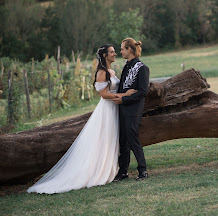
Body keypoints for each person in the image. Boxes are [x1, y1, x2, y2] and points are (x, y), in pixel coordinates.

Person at [27, 44, 136, 194]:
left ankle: (111, 167)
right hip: (107, 109)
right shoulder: (102, 72)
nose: (115, 54)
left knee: (111, 139)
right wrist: (123, 96)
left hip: (115, 108)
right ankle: (98, 170)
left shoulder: (111, 70)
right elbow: (103, 95)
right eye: (112, 52)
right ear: (105, 55)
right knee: (103, 139)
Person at [112, 38, 150, 181]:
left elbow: (142, 92)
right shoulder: (127, 66)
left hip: (133, 110)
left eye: (122, 49)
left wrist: (125, 99)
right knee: (123, 141)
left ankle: (143, 170)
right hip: (122, 108)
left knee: (133, 139)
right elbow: (123, 88)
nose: (120, 51)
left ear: (129, 50)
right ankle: (123, 172)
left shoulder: (142, 68)